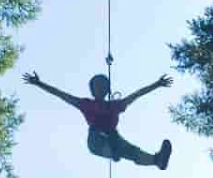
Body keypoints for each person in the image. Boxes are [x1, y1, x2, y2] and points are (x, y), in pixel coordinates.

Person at [23, 70, 173, 169]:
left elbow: (137, 94)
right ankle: (113, 151)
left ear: (107, 90)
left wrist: (157, 84)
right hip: (96, 141)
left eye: (103, 86)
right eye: (97, 86)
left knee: (131, 150)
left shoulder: (116, 105)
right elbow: (61, 94)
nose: (100, 88)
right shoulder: (86, 104)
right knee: (107, 138)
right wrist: (39, 83)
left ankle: (156, 160)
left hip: (113, 139)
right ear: (92, 90)